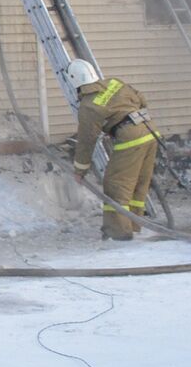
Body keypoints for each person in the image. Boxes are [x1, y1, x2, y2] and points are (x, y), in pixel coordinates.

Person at [68, 59, 159, 240]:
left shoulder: (88, 105)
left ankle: (117, 233)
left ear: (74, 81)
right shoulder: (114, 83)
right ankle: (133, 225)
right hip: (150, 131)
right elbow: (141, 98)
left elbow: (87, 140)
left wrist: (80, 170)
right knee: (138, 184)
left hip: (131, 139)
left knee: (116, 185)